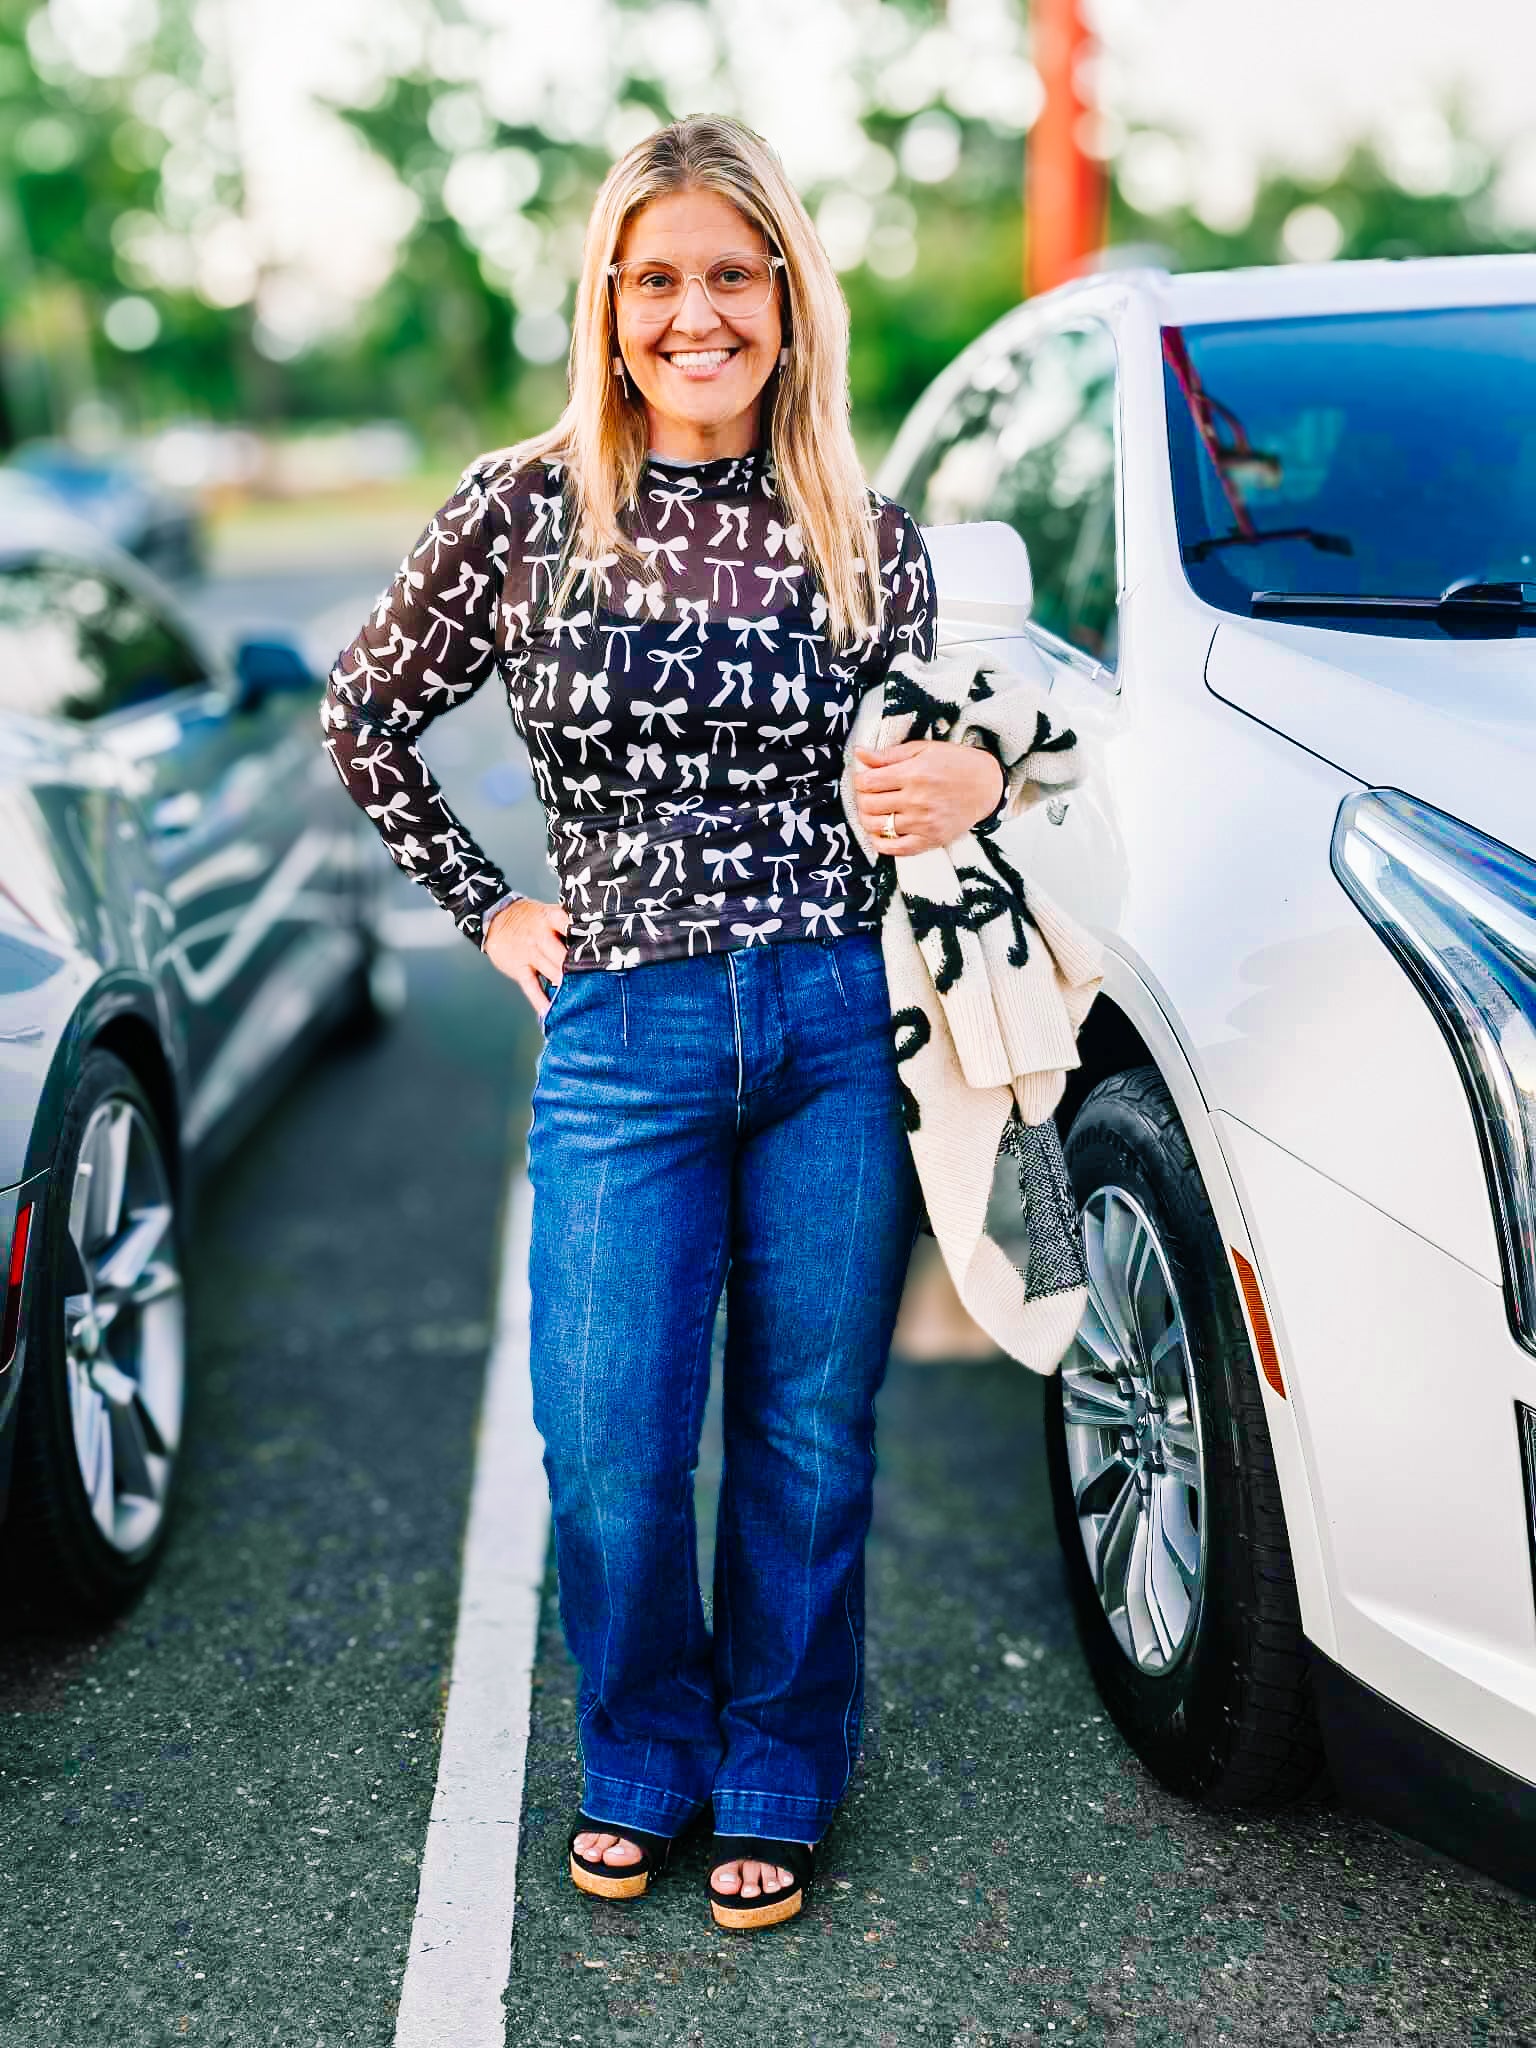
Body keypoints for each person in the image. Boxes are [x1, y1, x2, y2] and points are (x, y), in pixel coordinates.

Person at [320, 112, 1007, 1933]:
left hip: (832, 1026)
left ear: (786, 291)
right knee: (612, 1443)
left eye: (728, 273)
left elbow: (970, 754)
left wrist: (977, 773)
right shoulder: (524, 505)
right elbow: (363, 718)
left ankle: (780, 1763)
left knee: (806, 1438)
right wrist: (495, 910)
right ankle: (642, 1752)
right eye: (656, 281)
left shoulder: (871, 534)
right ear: (609, 305)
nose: (693, 313)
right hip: (622, 1029)